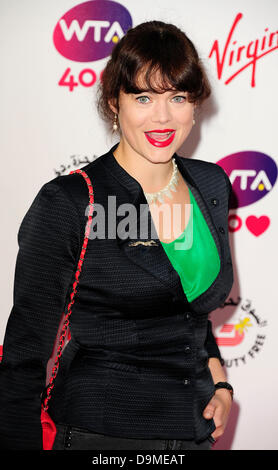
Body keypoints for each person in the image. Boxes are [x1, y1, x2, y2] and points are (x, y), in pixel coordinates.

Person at [0, 20, 234, 450]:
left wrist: (221, 387)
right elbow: (24, 353)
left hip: (193, 430)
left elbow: (189, 309)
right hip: (102, 433)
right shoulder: (70, 201)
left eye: (177, 97)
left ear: (195, 105)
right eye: (143, 97)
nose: (162, 117)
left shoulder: (212, 184)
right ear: (114, 102)